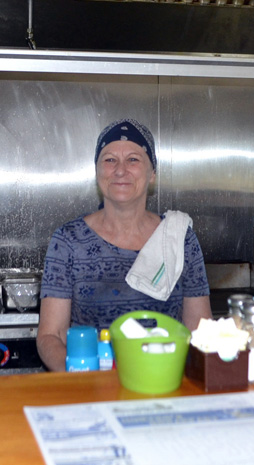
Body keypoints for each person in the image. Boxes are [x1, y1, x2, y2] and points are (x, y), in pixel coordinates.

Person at [36, 118, 213, 371]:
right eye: (109, 160)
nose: (120, 170)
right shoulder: (68, 241)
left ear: (152, 174)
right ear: (97, 171)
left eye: (133, 159)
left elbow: (201, 332)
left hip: (164, 385)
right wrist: (80, 380)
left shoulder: (179, 239)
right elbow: (50, 336)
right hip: (90, 388)